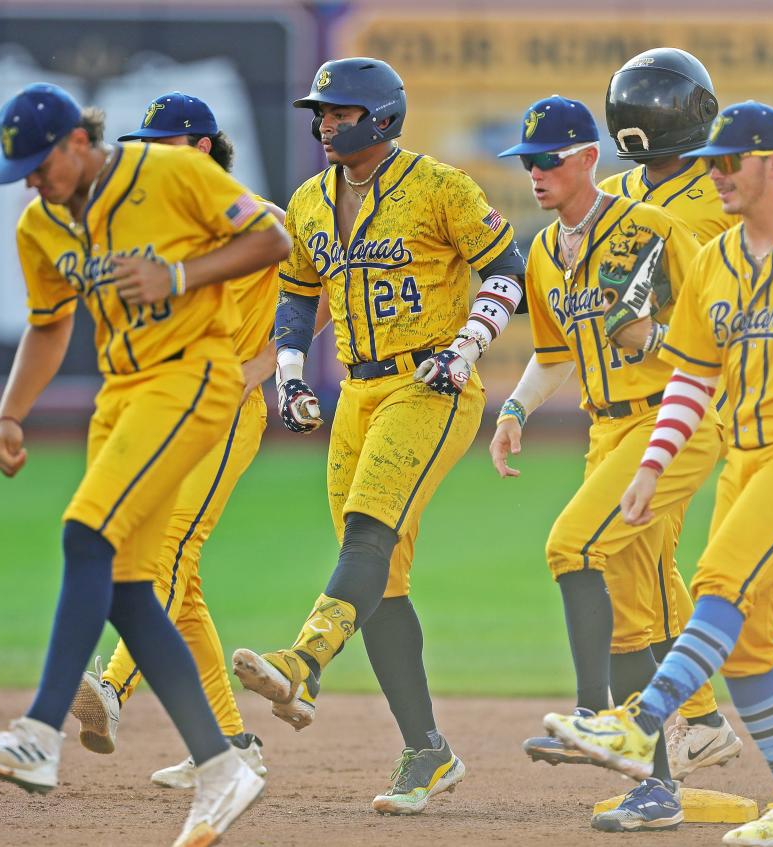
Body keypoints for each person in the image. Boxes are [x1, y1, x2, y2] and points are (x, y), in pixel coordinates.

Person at [0, 83, 291, 847]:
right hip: (123, 391)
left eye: (40, 165)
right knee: (132, 590)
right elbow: (47, 326)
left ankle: (39, 733)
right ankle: (223, 764)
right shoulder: (42, 225)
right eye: (22, 173)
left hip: (198, 376)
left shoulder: (167, 172)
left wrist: (178, 277)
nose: (32, 183)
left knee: (85, 533)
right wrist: (9, 413)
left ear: (78, 142)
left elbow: (274, 239)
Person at [548, 101, 773, 846]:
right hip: (746, 457)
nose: (716, 176)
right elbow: (691, 378)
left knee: (718, 581)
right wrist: (653, 462)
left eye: (729, 161)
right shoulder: (714, 260)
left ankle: (641, 722)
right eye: (710, 163)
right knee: (744, 647)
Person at [231, 56, 525, 815]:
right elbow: (298, 297)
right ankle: (427, 751)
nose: (326, 123)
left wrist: (463, 347)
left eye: (341, 112)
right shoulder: (307, 200)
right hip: (358, 390)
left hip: (430, 386)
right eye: (321, 112)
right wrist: (289, 374)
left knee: (367, 532)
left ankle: (303, 659)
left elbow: (506, 269)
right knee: (381, 578)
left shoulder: (438, 186)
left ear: (384, 118)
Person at [67, 91, 328, 790]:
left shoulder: (256, 220)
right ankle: (233, 742)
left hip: (228, 410)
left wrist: (264, 366)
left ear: (204, 148)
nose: (150, 156)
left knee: (173, 542)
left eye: (165, 144)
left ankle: (115, 687)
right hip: (173, 407)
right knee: (183, 581)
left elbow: (315, 292)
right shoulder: (167, 229)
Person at [491, 94, 723, 833]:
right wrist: (516, 409)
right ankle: (655, 784)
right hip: (605, 430)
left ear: (590, 158)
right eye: (525, 162)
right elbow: (555, 352)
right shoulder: (541, 248)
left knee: (572, 545)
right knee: (632, 607)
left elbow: (717, 328)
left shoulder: (652, 229)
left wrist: (651, 340)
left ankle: (595, 714)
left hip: (670, 419)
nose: (535, 173)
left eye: (549, 159)